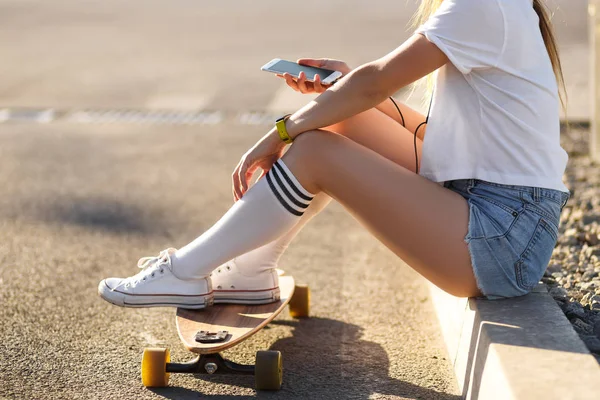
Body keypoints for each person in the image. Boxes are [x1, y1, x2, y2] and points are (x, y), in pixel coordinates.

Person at [98, 0, 571, 308]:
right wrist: (343, 89)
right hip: (501, 216)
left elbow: (377, 80)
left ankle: (184, 271)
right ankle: (252, 271)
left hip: (504, 235)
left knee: (314, 150)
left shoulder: (481, 5)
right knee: (335, 119)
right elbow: (429, 134)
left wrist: (281, 131)